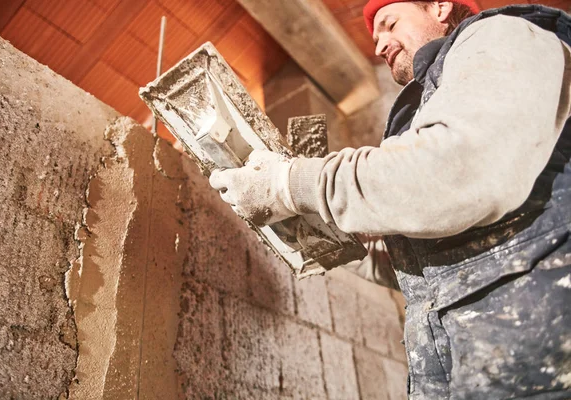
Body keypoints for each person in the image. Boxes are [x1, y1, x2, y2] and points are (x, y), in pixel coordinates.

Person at [210, 0, 571, 398]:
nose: (379, 44)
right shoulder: (436, 101)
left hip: (542, 362)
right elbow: (437, 263)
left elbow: (453, 171)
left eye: (389, 22)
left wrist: (291, 183)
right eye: (376, 36)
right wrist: (337, 240)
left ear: (439, 6)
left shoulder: (502, 35)